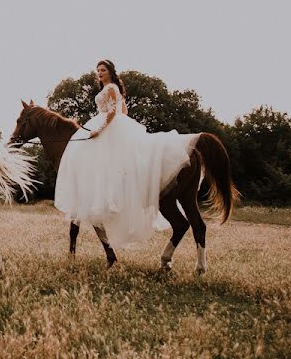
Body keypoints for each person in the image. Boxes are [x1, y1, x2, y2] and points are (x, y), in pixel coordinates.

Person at [54, 59, 200, 247]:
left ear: (110, 72)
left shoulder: (112, 87)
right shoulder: (108, 89)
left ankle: (113, 198)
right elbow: (124, 109)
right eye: (98, 70)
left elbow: (115, 112)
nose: (99, 73)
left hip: (107, 124)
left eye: (103, 70)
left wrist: (102, 129)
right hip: (107, 123)